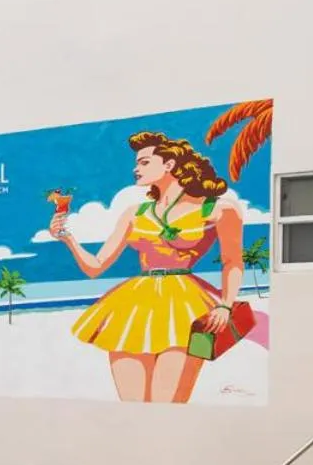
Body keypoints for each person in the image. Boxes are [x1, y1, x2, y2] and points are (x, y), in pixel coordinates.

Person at [50, 132, 244, 403]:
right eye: (136, 163)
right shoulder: (134, 213)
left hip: (186, 306)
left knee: (169, 406)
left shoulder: (218, 209)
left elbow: (232, 261)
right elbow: (96, 267)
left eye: (144, 162)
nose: (135, 168)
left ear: (169, 164)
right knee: (132, 406)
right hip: (133, 306)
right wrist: (67, 238)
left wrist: (225, 305)